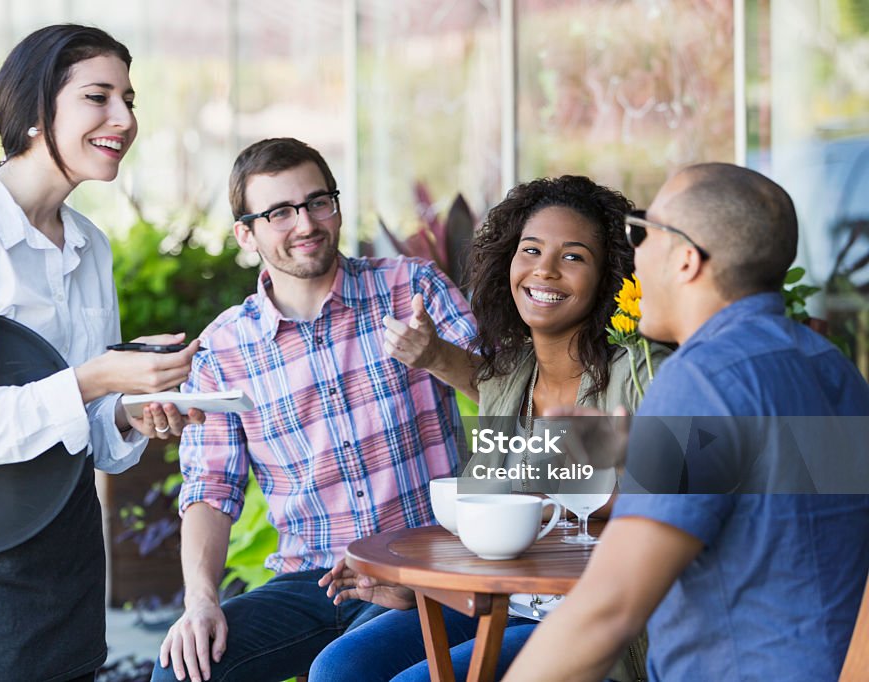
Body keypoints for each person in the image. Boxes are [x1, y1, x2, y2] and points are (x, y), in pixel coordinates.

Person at [0, 25, 202, 682]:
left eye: (130, 99)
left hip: (68, 556)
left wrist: (130, 407)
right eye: (99, 97)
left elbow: (87, 430)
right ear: (32, 112)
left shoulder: (90, 244)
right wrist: (93, 379)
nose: (125, 118)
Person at [503, 163, 869, 681]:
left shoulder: (703, 377)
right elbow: (781, 511)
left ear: (686, 260)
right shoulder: (831, 367)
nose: (633, 256)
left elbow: (608, 611)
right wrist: (645, 455)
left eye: (643, 233)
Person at [151, 137, 479, 682]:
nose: (305, 223)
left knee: (344, 670)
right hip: (312, 581)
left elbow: (510, 401)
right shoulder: (224, 348)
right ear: (246, 234)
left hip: (425, 566)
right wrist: (201, 601)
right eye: (279, 212)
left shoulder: (411, 288)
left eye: (317, 201)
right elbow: (210, 487)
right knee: (182, 671)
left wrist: (438, 357)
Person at [314, 175, 667, 681]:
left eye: (573, 257)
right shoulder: (509, 379)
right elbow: (491, 525)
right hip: (501, 597)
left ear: (608, 277)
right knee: (341, 666)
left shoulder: (637, 376)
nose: (544, 270)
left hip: (592, 612)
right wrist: (418, 587)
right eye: (530, 250)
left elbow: (678, 495)